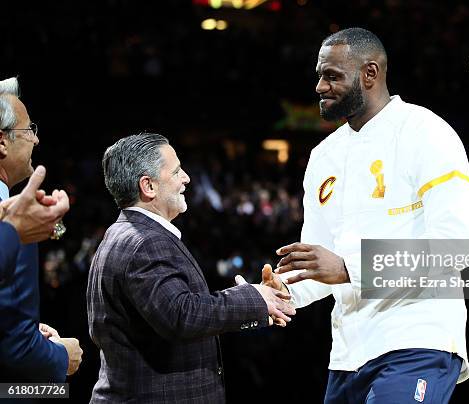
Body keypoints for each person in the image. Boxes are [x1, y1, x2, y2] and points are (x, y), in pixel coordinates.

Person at [264, 28, 469, 403]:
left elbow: (456, 249)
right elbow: (319, 263)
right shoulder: (322, 157)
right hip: (348, 353)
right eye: (319, 75)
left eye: (332, 76)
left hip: (417, 338)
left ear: (370, 73)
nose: (319, 86)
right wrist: (284, 291)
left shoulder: (427, 133)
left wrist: (350, 269)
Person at [87, 133, 295, 403]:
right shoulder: (144, 242)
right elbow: (180, 314)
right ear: (148, 186)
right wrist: (252, 299)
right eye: (176, 171)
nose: (186, 178)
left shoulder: (127, 234)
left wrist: (258, 302)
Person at [0, 77, 83, 382]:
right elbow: (18, 351)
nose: (36, 140)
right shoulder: (15, 220)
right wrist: (62, 356)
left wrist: (25, 327)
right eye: (28, 130)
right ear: (1, 142)